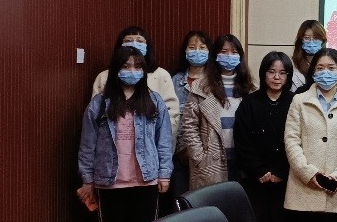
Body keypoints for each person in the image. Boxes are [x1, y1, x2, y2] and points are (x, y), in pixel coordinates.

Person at [78, 46, 172, 222]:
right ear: (115, 69)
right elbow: (87, 145)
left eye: (137, 67)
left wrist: (164, 174)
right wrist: (87, 180)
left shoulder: (154, 101)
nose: (132, 71)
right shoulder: (100, 103)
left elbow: (164, 141)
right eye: (126, 66)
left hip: (146, 180)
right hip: (110, 182)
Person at [284, 48, 337, 222]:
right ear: (313, 71)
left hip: (336, 191)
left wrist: (336, 177)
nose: (325, 72)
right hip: (302, 189)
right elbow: (291, 140)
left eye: (331, 68)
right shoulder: (299, 101)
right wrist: (308, 173)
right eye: (320, 68)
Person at [234, 52, 295, 222]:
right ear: (263, 73)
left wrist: (280, 171)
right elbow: (242, 141)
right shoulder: (249, 103)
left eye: (282, 73)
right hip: (256, 179)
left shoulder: (296, 102)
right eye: (271, 72)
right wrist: (259, 170)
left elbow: (299, 142)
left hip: (287, 179)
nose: (277, 77)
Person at [180, 34, 255, 190]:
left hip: (242, 161)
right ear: (215, 55)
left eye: (234, 52)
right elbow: (189, 125)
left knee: (239, 203)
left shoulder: (249, 88)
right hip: (210, 163)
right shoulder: (200, 87)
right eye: (224, 51)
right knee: (212, 203)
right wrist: (199, 157)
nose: (229, 56)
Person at [92, 25, 179, 133]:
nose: (134, 44)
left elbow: (172, 112)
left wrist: (162, 136)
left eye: (139, 41)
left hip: (152, 137)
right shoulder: (104, 76)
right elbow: (95, 114)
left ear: (147, 46)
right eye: (128, 41)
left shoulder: (161, 75)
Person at [170, 30, 211, 197]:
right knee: (181, 201)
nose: (197, 52)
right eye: (192, 47)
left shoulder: (215, 81)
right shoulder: (174, 81)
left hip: (208, 155)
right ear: (185, 51)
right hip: (180, 154)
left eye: (202, 47)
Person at [291, 19, 327, 89]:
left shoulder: (330, 62)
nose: (311, 41)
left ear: (323, 40)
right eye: (307, 38)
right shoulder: (292, 64)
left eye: (316, 38)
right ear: (301, 40)